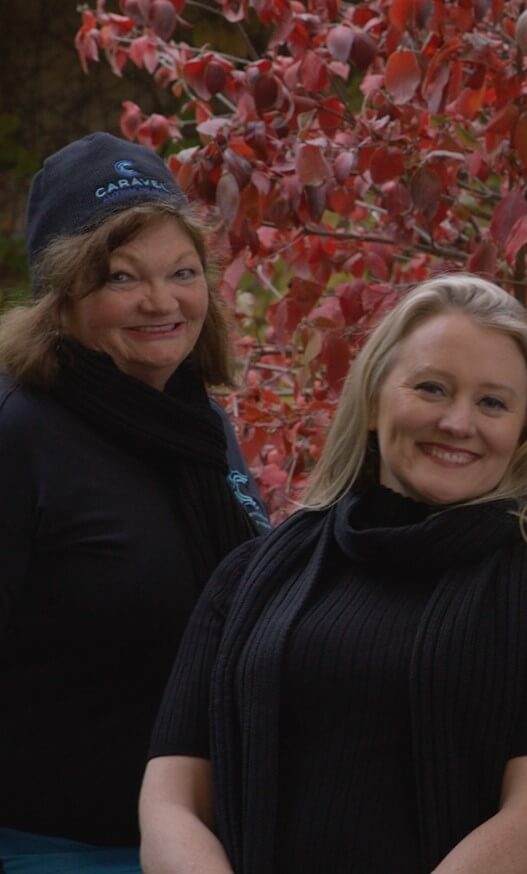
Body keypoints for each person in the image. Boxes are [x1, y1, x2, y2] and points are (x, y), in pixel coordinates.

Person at [139, 275, 527, 873]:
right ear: (372, 401)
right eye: (432, 388)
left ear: (523, 432)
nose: (458, 422)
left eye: (493, 402)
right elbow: (170, 799)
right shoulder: (248, 576)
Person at [0, 133, 267, 871]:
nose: (161, 301)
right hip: (53, 849)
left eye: (182, 272)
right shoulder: (20, 434)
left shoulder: (197, 425)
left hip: (207, 843)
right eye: (123, 277)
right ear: (62, 295)